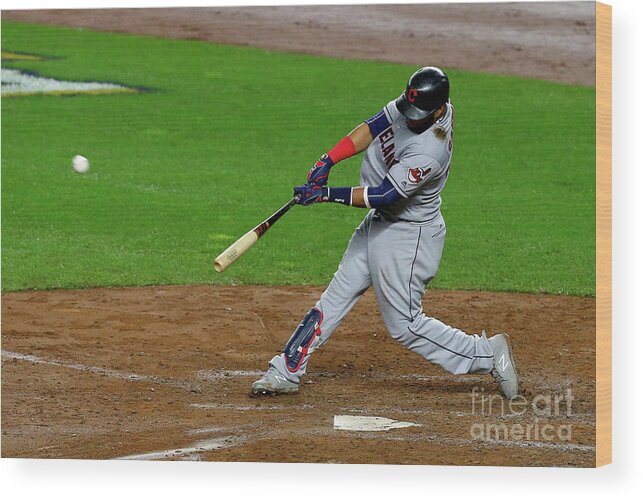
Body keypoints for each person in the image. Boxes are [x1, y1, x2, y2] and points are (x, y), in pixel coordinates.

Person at [251, 67, 519, 399]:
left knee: (405, 326)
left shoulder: (431, 149)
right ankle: (286, 370)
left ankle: (487, 353)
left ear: (439, 110)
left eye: (420, 115)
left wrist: (325, 194)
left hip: (407, 237)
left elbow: (383, 194)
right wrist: (328, 159)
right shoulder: (417, 103)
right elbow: (375, 125)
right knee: (337, 295)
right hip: (381, 222)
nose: (412, 118)